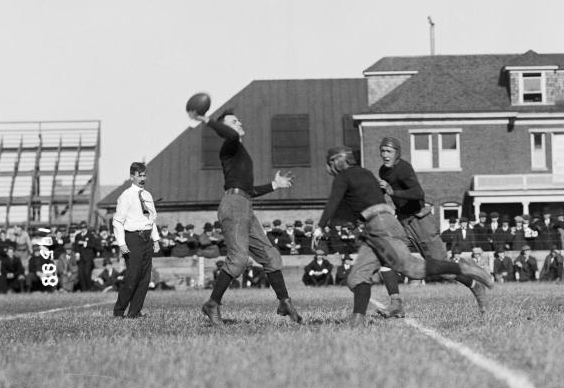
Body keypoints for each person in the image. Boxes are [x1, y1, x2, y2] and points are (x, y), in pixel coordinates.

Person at [313, 146, 493, 326]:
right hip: (382, 225)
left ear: (339, 160)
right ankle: (363, 317)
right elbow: (367, 201)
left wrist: (320, 227)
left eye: (331, 162)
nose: (330, 168)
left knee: (413, 269)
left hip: (387, 226)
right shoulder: (367, 173)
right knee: (357, 277)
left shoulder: (344, 176)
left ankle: (463, 268)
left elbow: (334, 201)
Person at [191, 107, 303, 325]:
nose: (239, 123)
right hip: (233, 206)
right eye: (233, 121)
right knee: (239, 259)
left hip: (245, 205)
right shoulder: (229, 146)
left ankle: (285, 302)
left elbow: (248, 190)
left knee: (271, 256)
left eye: (238, 120)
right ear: (224, 128)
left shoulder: (241, 153)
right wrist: (206, 119)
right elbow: (231, 134)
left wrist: (274, 185)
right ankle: (212, 304)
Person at [375, 136, 488, 317]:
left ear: (397, 153)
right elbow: (389, 194)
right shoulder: (383, 171)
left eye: (389, 151)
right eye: (383, 151)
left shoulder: (403, 168)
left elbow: (418, 193)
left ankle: (475, 284)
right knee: (386, 255)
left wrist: (392, 191)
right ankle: (396, 303)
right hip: (403, 222)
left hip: (421, 222)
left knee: (444, 272)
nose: (385, 155)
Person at [111, 161, 160, 318]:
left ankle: (135, 312)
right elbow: (117, 221)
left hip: (146, 238)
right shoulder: (126, 196)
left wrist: (156, 239)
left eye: (144, 175)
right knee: (132, 277)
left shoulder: (147, 195)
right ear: (132, 176)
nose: (142, 178)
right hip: (132, 238)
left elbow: (151, 219)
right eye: (139, 176)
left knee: (145, 278)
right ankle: (119, 312)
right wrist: (121, 243)